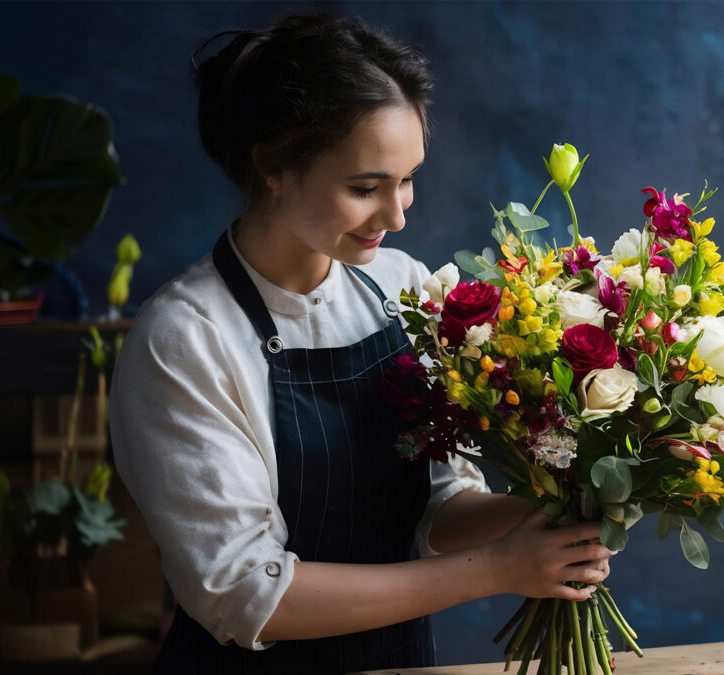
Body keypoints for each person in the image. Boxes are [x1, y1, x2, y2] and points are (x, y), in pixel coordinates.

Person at [109, 11, 611, 673]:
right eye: (365, 187)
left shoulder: (401, 287)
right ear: (272, 166)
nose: (398, 214)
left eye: (407, 179)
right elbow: (245, 594)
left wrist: (564, 512)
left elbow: (440, 503)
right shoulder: (184, 338)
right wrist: (494, 570)